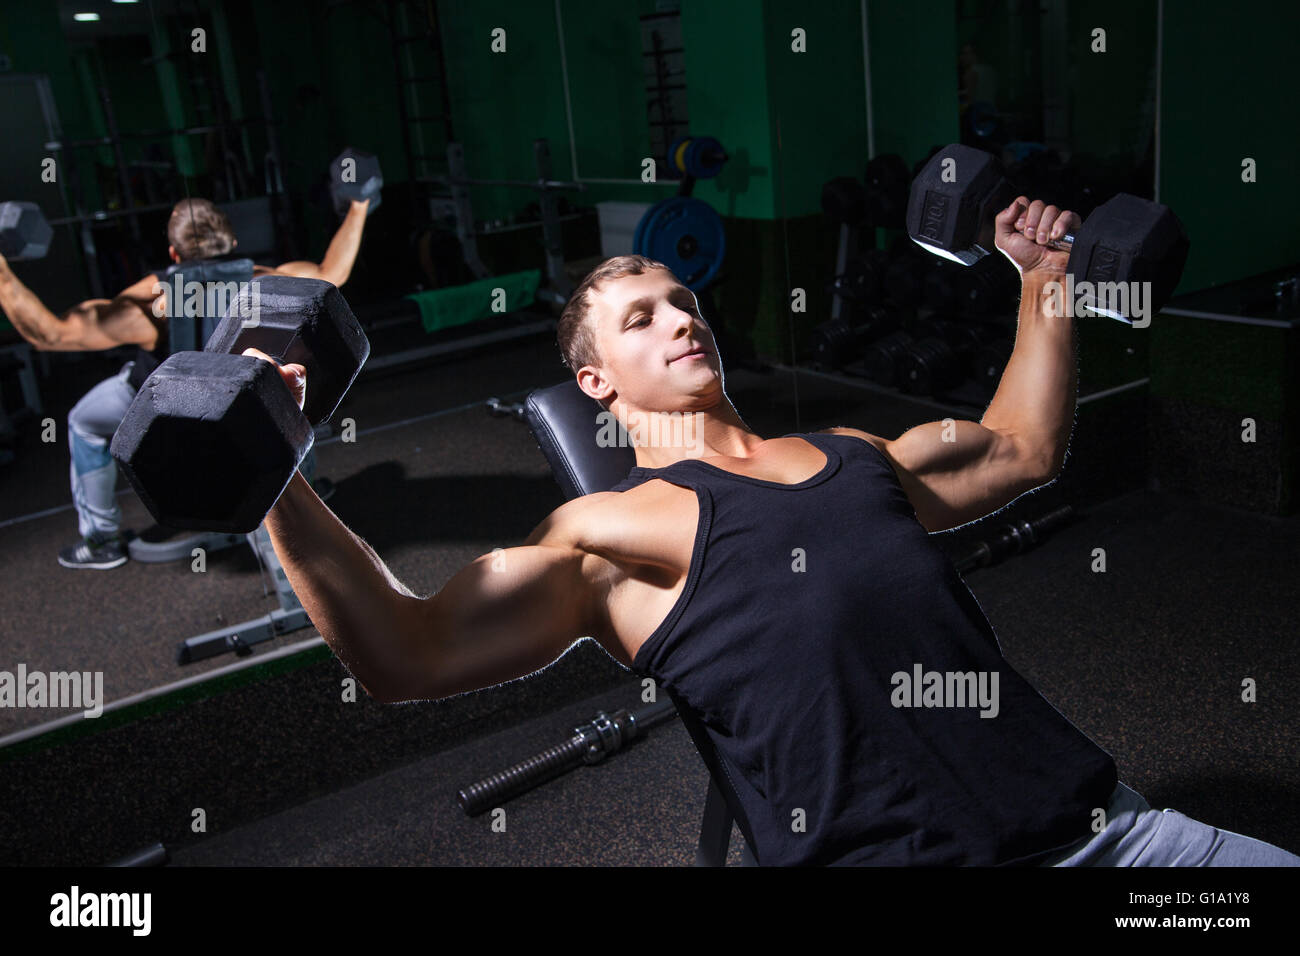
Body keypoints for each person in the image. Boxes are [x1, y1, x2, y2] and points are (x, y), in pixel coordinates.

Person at [253, 194, 1298, 866]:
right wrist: (265, 471)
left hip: (1106, 838)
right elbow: (403, 650)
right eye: (641, 318)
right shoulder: (604, 531)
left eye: (683, 298)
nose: (680, 318)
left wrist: (1040, 289)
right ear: (594, 383)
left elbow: (1018, 448)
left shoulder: (851, 451)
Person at [0, 195, 371, 569]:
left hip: (164, 411)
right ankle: (301, 489)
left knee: (84, 420)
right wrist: (359, 202)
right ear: (234, 245)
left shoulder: (153, 299)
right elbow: (332, 271)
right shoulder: (266, 281)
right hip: (242, 411)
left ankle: (102, 540)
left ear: (174, 254)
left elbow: (52, 334)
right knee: (285, 394)